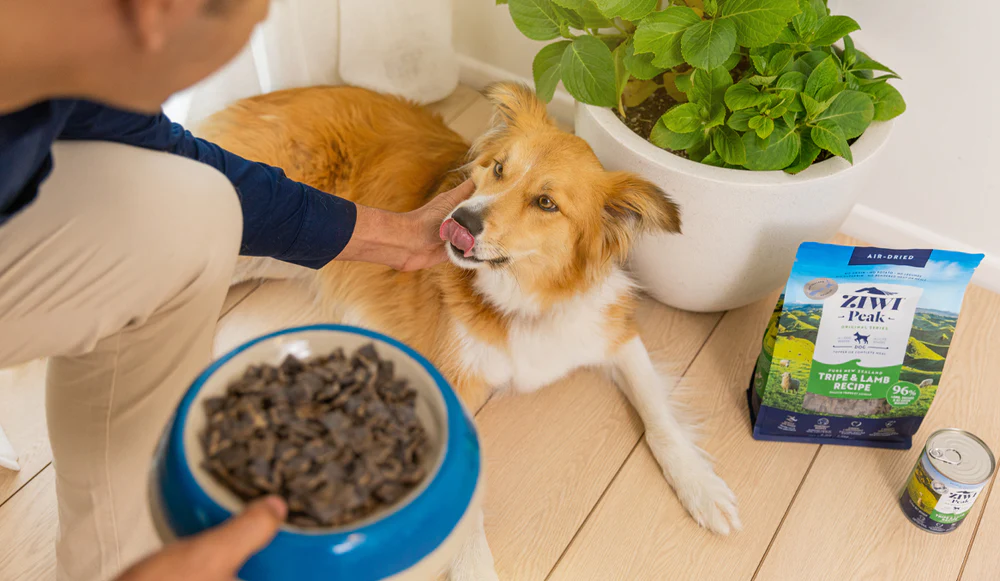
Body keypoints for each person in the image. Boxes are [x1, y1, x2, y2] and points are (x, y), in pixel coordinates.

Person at [0, 0, 474, 579]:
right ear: (162, 11)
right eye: (257, 17)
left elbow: (150, 144)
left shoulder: (59, 51)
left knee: (192, 204)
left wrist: (397, 237)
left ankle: (122, 561)